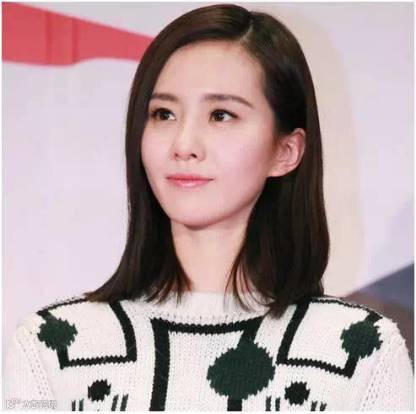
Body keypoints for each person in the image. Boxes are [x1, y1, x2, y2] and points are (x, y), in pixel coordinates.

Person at [3, 3, 413, 411]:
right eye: (163, 114)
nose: (183, 145)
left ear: (286, 151)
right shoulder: (54, 346)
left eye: (221, 115)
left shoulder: (360, 352)